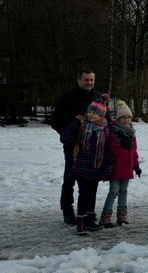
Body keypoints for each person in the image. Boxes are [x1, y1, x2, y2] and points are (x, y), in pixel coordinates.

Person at [60, 94, 115, 235]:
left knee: (92, 195)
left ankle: (90, 220)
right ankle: (81, 223)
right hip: (82, 168)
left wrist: (108, 169)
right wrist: (75, 123)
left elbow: (108, 152)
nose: (90, 115)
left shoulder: (105, 131)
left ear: (101, 116)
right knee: (84, 195)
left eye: (94, 113)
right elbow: (65, 138)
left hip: (96, 169)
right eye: (89, 112)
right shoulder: (83, 127)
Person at [51, 69, 99, 225]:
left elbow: (106, 119)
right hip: (73, 147)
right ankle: (67, 209)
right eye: (86, 80)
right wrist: (70, 133)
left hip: (93, 146)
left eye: (91, 80)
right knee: (70, 178)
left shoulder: (98, 98)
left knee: (90, 180)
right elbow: (56, 122)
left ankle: (86, 212)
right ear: (78, 80)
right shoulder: (67, 98)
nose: (89, 83)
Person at [100, 100, 140, 228]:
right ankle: (105, 217)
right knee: (113, 191)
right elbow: (109, 149)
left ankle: (122, 216)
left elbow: (134, 151)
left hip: (127, 168)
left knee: (124, 191)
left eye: (129, 117)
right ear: (118, 118)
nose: (127, 120)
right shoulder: (113, 131)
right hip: (115, 168)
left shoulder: (131, 133)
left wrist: (136, 166)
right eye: (124, 117)